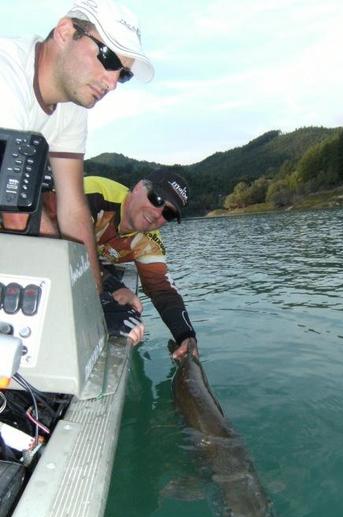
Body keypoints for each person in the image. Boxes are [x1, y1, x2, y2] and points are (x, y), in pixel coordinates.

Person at [0, 0, 153, 344]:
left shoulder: (71, 109)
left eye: (123, 74)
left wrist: (96, 295)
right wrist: (83, 306)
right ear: (66, 31)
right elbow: (16, 218)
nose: (112, 82)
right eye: (109, 58)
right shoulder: (6, 77)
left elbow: (73, 210)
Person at [45, 170, 198, 358]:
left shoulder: (149, 240)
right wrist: (111, 287)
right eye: (156, 198)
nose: (158, 213)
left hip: (96, 266)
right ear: (138, 188)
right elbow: (54, 245)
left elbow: (161, 289)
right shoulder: (92, 194)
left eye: (168, 213)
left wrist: (186, 335)